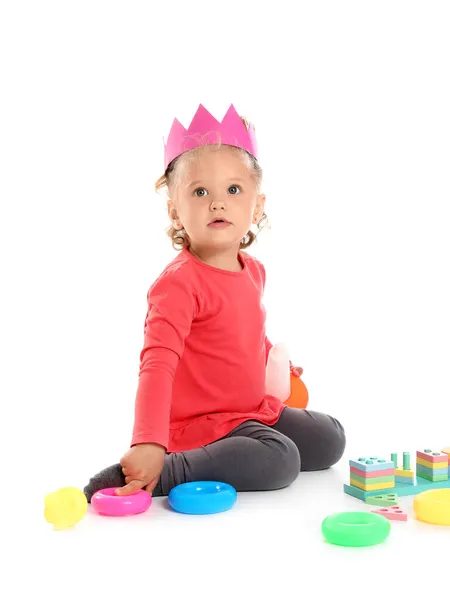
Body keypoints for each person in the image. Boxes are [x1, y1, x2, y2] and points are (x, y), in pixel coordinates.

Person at [83, 104, 346, 501]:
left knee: (330, 438)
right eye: (200, 191)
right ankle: (171, 470)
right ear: (175, 210)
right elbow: (157, 365)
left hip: (250, 408)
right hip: (201, 423)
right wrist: (149, 442)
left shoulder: (252, 270)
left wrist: (274, 363)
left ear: (257, 206)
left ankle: (241, 447)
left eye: (233, 190)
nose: (217, 202)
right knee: (281, 460)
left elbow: (244, 333)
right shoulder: (178, 285)